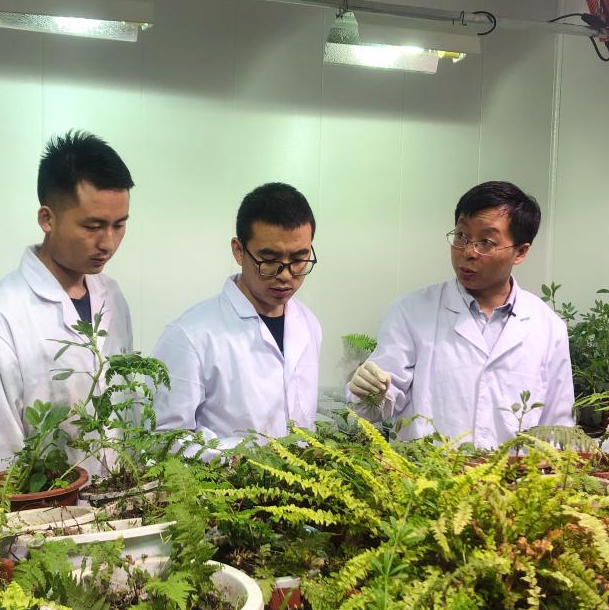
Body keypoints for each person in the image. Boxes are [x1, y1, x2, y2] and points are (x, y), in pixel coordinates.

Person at [347, 180, 574, 447]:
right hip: (427, 472)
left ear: (520, 252)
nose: (468, 252)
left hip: (517, 474)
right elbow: (373, 408)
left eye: (486, 242)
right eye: (461, 236)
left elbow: (559, 430)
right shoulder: (411, 313)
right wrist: (369, 393)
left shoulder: (547, 328)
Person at [0, 130, 134, 479]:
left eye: (119, 225)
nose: (108, 243)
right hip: (46, 511)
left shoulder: (112, 296)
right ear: (47, 219)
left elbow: (124, 416)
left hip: (119, 498)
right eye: (93, 226)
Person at [152, 182, 321, 455]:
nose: (286, 275)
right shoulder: (190, 336)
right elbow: (164, 441)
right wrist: (238, 458)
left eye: (299, 259)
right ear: (239, 251)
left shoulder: (309, 324)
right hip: (226, 482)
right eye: (269, 260)